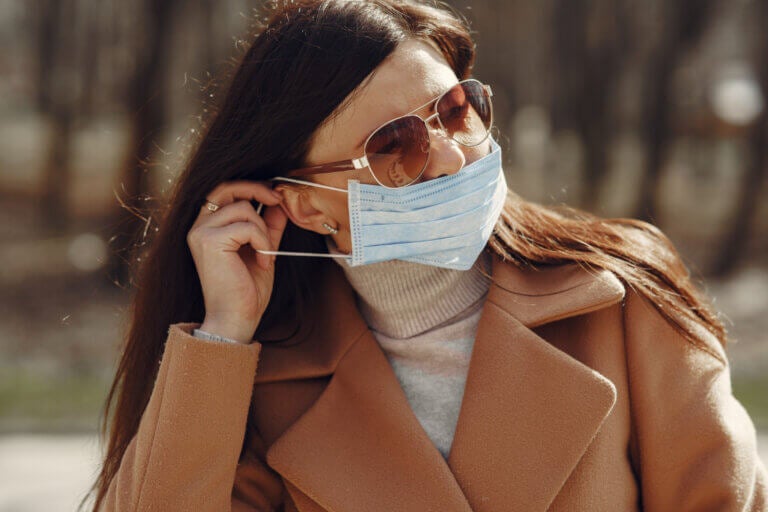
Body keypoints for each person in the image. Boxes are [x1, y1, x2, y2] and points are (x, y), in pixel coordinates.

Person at [84, 0, 768, 510]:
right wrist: (223, 334)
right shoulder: (263, 384)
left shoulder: (626, 297)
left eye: (454, 109)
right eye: (394, 146)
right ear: (305, 205)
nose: (448, 154)